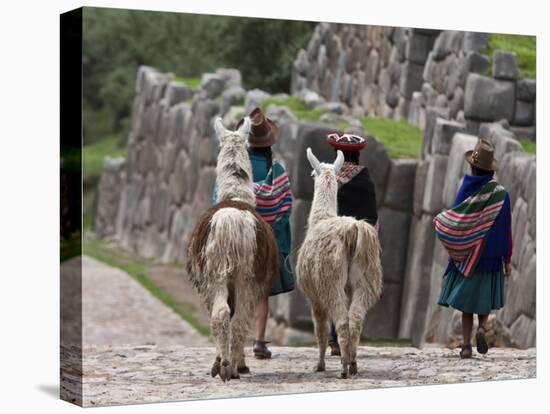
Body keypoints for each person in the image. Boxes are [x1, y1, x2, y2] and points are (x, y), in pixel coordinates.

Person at [212, 107, 294, 366]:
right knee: (258, 292)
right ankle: (259, 341)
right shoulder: (276, 168)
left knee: (228, 286)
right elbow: (286, 205)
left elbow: (218, 198)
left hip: (230, 227)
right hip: (264, 236)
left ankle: (235, 353)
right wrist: (273, 233)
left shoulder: (237, 167)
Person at [434, 139, 512, 359]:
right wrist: (507, 259)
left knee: (467, 305)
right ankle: (482, 327)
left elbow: (457, 219)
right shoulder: (501, 195)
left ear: (473, 166)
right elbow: (507, 230)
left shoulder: (467, 188)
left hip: (468, 257)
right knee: (484, 300)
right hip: (492, 258)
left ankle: (466, 345)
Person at [324, 132, 378, 356]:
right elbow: (372, 216)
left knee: (334, 287)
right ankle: (346, 336)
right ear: (356, 157)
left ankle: (334, 337)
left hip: (336, 241)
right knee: (353, 289)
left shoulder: (331, 181)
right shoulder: (366, 181)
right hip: (358, 243)